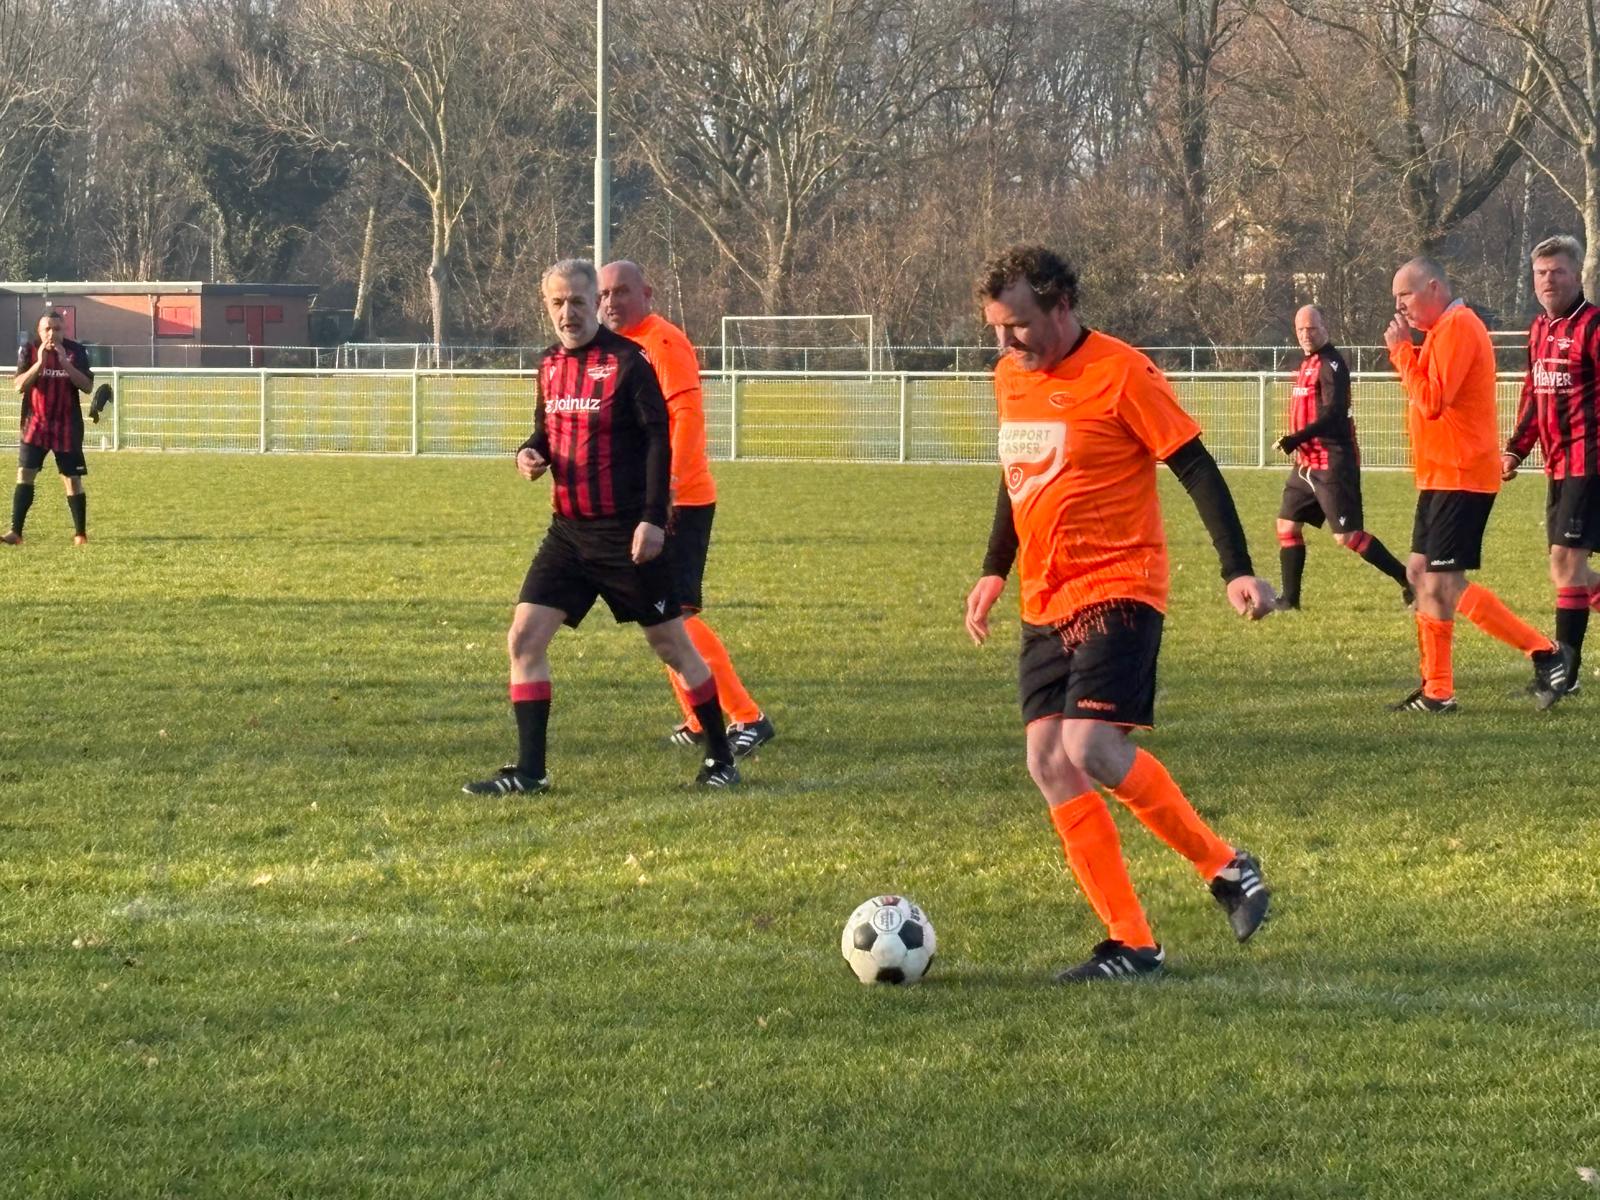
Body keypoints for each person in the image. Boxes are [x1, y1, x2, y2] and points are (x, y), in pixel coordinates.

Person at [964, 245, 1275, 985]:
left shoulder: (1122, 372)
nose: (1005, 341)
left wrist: (1236, 568)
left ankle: (1225, 866)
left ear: (1062, 305)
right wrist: (994, 568)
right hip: (1045, 596)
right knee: (1047, 761)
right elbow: (1016, 475)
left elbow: (1194, 465)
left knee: (1091, 745)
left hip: (1119, 584)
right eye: (995, 328)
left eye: (1017, 325)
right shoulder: (1010, 375)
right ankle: (1132, 942)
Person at [463, 259, 740, 796]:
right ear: (547, 306)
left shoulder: (629, 362)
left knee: (672, 645)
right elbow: (546, 431)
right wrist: (529, 453)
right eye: (557, 303)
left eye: (578, 302)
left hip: (626, 534)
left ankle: (720, 757)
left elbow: (658, 442)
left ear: (596, 304)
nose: (568, 312)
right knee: (524, 638)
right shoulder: (549, 365)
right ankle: (531, 772)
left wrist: (653, 520)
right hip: (568, 534)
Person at [597, 260, 776, 756]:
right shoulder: (618, 347)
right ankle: (700, 718)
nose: (611, 302)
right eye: (604, 294)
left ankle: (747, 717)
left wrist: (667, 488)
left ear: (647, 293)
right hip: (643, 501)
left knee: (675, 615)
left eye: (621, 291)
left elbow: (687, 417)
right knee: (658, 614)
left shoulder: (663, 342)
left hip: (679, 500)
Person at [1385, 256, 1570, 712]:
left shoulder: (1459, 327)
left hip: (1462, 475)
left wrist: (1402, 352)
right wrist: (1411, 352)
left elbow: (1432, 401)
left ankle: (1545, 653)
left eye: (1405, 295)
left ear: (1433, 287)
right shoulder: (1439, 331)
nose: (1400, 305)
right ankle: (1437, 691)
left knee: (1443, 584)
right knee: (1420, 575)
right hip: (1440, 476)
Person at [1502, 234, 1600, 695]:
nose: (1548, 280)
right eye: (1541, 273)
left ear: (1576, 275)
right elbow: (1533, 396)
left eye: (1558, 271)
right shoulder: (1538, 329)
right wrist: (1515, 450)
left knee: (1566, 563)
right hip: (1558, 467)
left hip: (1591, 463)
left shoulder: (1594, 327)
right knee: (1567, 570)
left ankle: (1564, 676)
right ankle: (1567, 673)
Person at [1272, 305, 1412, 608]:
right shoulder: (1307, 363)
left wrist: (1296, 438)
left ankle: (1407, 579)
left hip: (1332, 463)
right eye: (1300, 329)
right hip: (1306, 463)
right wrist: (1297, 441)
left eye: (1312, 328)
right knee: (1286, 526)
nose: (1306, 334)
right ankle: (1289, 601)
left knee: (1347, 537)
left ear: (1325, 328)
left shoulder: (1331, 364)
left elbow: (1334, 414)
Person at [5, 311, 95, 546]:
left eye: (57, 328)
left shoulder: (76, 351)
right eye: (47, 329)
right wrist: (39, 364)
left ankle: (80, 534)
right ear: (39, 331)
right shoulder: (29, 349)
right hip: (35, 425)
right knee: (25, 474)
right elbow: (18, 386)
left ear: (64, 330)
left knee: (72, 479)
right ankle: (16, 533)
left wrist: (65, 362)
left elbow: (87, 386)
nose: (52, 333)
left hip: (67, 427)